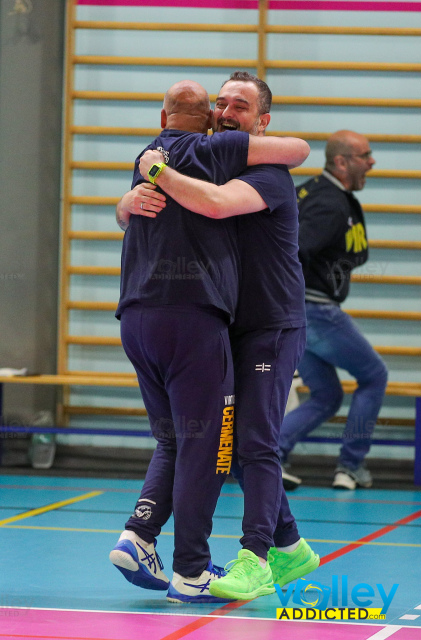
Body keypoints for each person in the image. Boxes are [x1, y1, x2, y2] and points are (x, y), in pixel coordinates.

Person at [109, 79, 312, 603]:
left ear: (262, 122)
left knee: (254, 442)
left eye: (239, 106)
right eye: (221, 103)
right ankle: (289, 545)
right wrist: (128, 199)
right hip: (223, 326)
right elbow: (142, 217)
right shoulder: (207, 157)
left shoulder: (266, 173)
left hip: (269, 326)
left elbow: (218, 205)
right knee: (226, 441)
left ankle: (257, 558)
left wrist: (153, 170)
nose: (226, 111)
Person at [278, 130, 388, 491]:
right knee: (374, 375)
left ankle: (270, 455)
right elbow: (291, 252)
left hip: (298, 315)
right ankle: (351, 465)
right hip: (314, 310)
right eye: (365, 155)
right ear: (341, 162)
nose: (372, 162)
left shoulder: (319, 192)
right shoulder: (328, 203)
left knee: (327, 394)